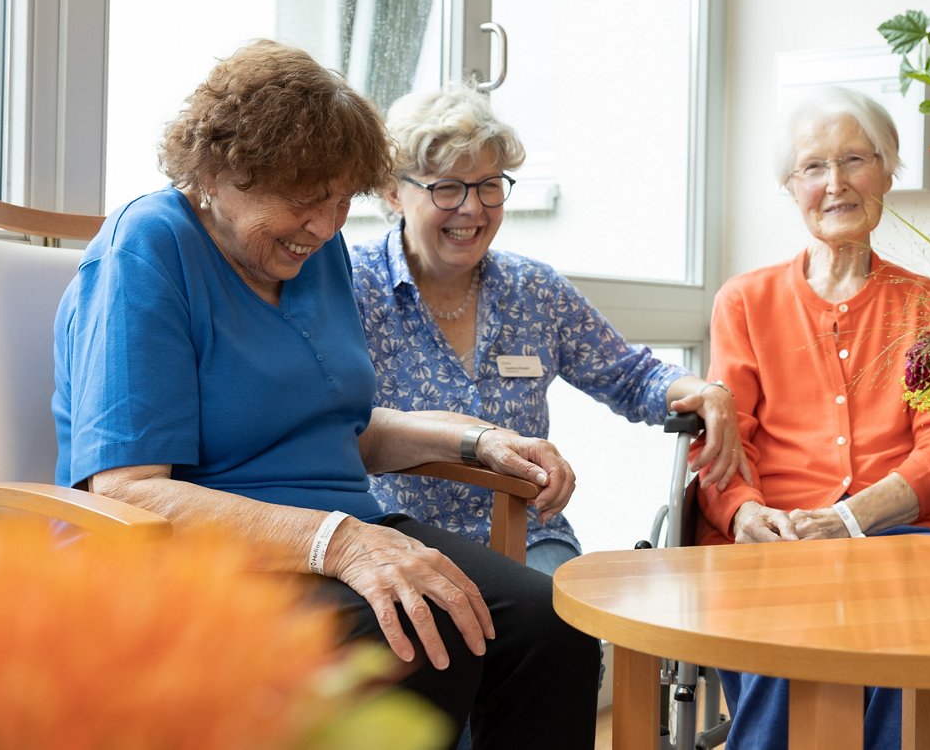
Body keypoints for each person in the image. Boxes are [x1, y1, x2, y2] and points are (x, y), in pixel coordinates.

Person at [52, 40, 600, 749]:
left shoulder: (313, 253)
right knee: (426, 632)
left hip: (338, 534)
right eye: (306, 200)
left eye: (342, 202)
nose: (325, 225)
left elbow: (344, 428)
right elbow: (126, 490)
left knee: (551, 623)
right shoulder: (149, 247)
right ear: (220, 172)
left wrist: (477, 438)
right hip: (192, 564)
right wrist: (336, 542)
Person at [350, 81, 750, 576]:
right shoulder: (354, 285)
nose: (472, 209)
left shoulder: (533, 289)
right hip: (402, 535)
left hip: (528, 531)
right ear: (394, 191)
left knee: (567, 623)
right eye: (448, 187)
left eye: (489, 185)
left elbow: (630, 375)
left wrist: (704, 390)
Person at [696, 86, 930, 750]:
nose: (836, 184)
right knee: (782, 623)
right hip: (777, 542)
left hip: (915, 538)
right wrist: (744, 514)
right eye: (813, 167)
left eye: (856, 160)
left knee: (907, 629)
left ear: (888, 171)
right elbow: (722, 439)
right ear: (790, 185)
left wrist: (854, 519)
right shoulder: (744, 302)